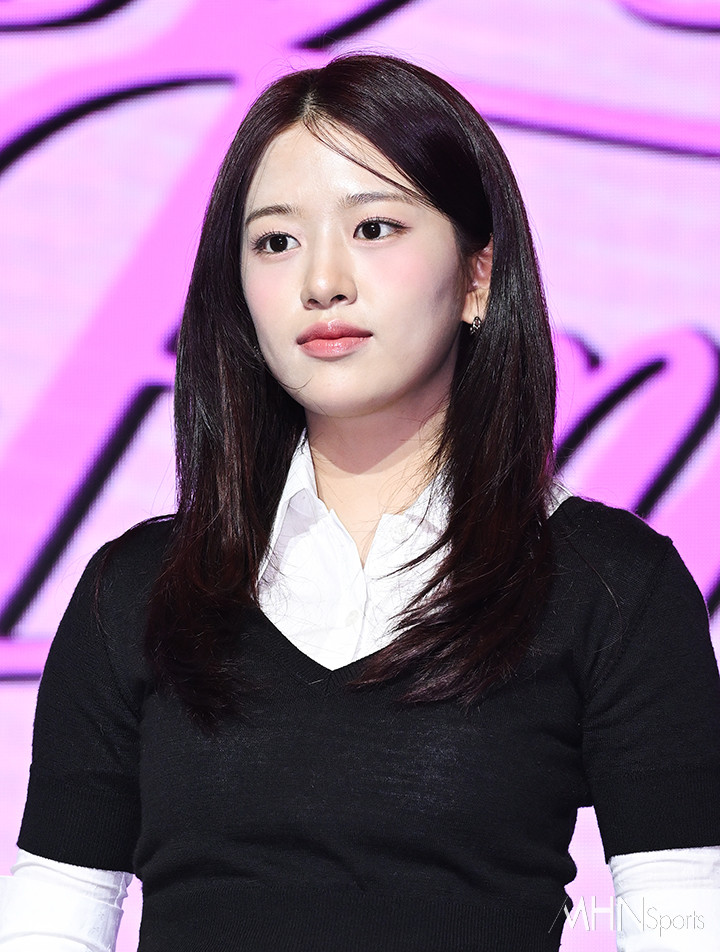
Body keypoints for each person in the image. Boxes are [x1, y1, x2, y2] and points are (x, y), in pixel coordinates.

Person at [1, 53, 720, 952]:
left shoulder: (612, 586)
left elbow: (684, 918)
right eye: (276, 242)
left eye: (374, 227)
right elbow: (57, 913)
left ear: (478, 276)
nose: (322, 281)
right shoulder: (136, 589)